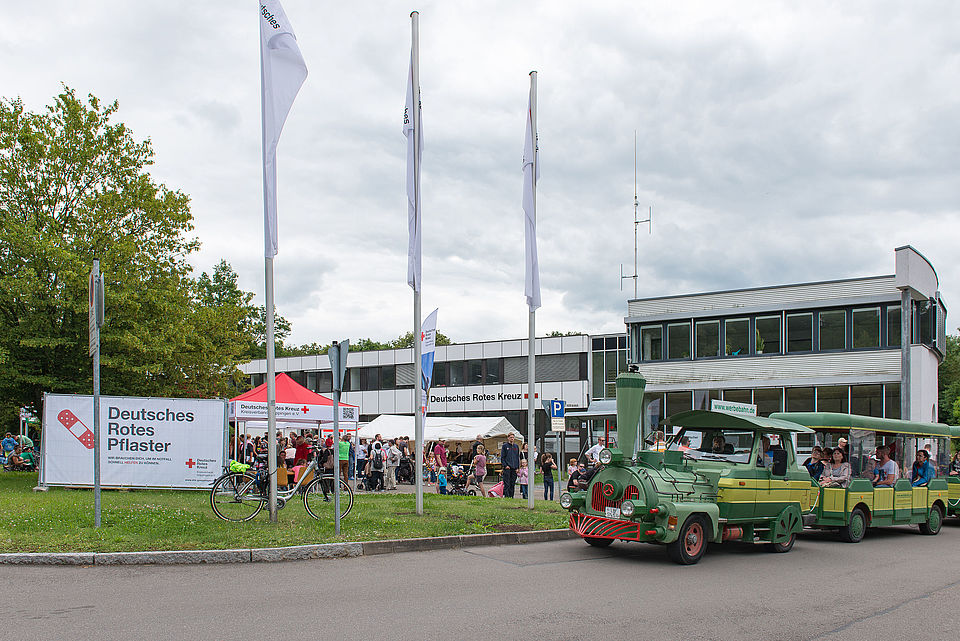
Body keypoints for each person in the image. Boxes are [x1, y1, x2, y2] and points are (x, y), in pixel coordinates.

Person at [500, 433, 521, 498]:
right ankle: (507, 496)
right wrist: (505, 465)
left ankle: (511, 496)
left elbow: (517, 457)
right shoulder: (505, 446)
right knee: (507, 483)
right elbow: (502, 457)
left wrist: (517, 467)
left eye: (513, 437)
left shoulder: (516, 446)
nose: (512, 439)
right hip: (508, 468)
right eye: (511, 437)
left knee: (512, 483)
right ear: (508, 438)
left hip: (514, 468)